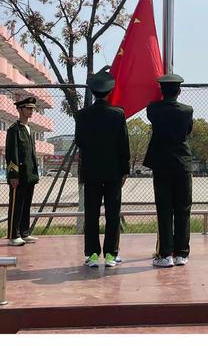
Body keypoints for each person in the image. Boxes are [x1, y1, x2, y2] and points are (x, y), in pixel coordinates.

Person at [75, 69, 130, 268]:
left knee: (91, 213)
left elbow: (79, 141)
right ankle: (110, 255)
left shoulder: (82, 115)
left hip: (91, 172)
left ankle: (92, 255)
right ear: (109, 92)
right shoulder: (118, 114)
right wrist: (125, 170)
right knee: (112, 213)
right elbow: (124, 145)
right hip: (114, 172)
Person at [143, 74, 193, 267]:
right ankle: (182, 253)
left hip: (161, 164)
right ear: (179, 91)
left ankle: (166, 254)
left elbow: (153, 114)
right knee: (183, 209)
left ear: (161, 91)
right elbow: (187, 131)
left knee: (164, 209)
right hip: (182, 164)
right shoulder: (187, 111)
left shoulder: (153, 109)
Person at [5, 96, 39, 246]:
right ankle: (14, 234)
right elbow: (12, 153)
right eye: (28, 108)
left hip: (30, 174)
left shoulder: (30, 130)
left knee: (27, 204)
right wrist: (13, 175)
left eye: (32, 108)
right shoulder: (14, 130)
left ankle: (24, 232)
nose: (31, 111)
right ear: (20, 109)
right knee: (16, 205)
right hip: (19, 175)